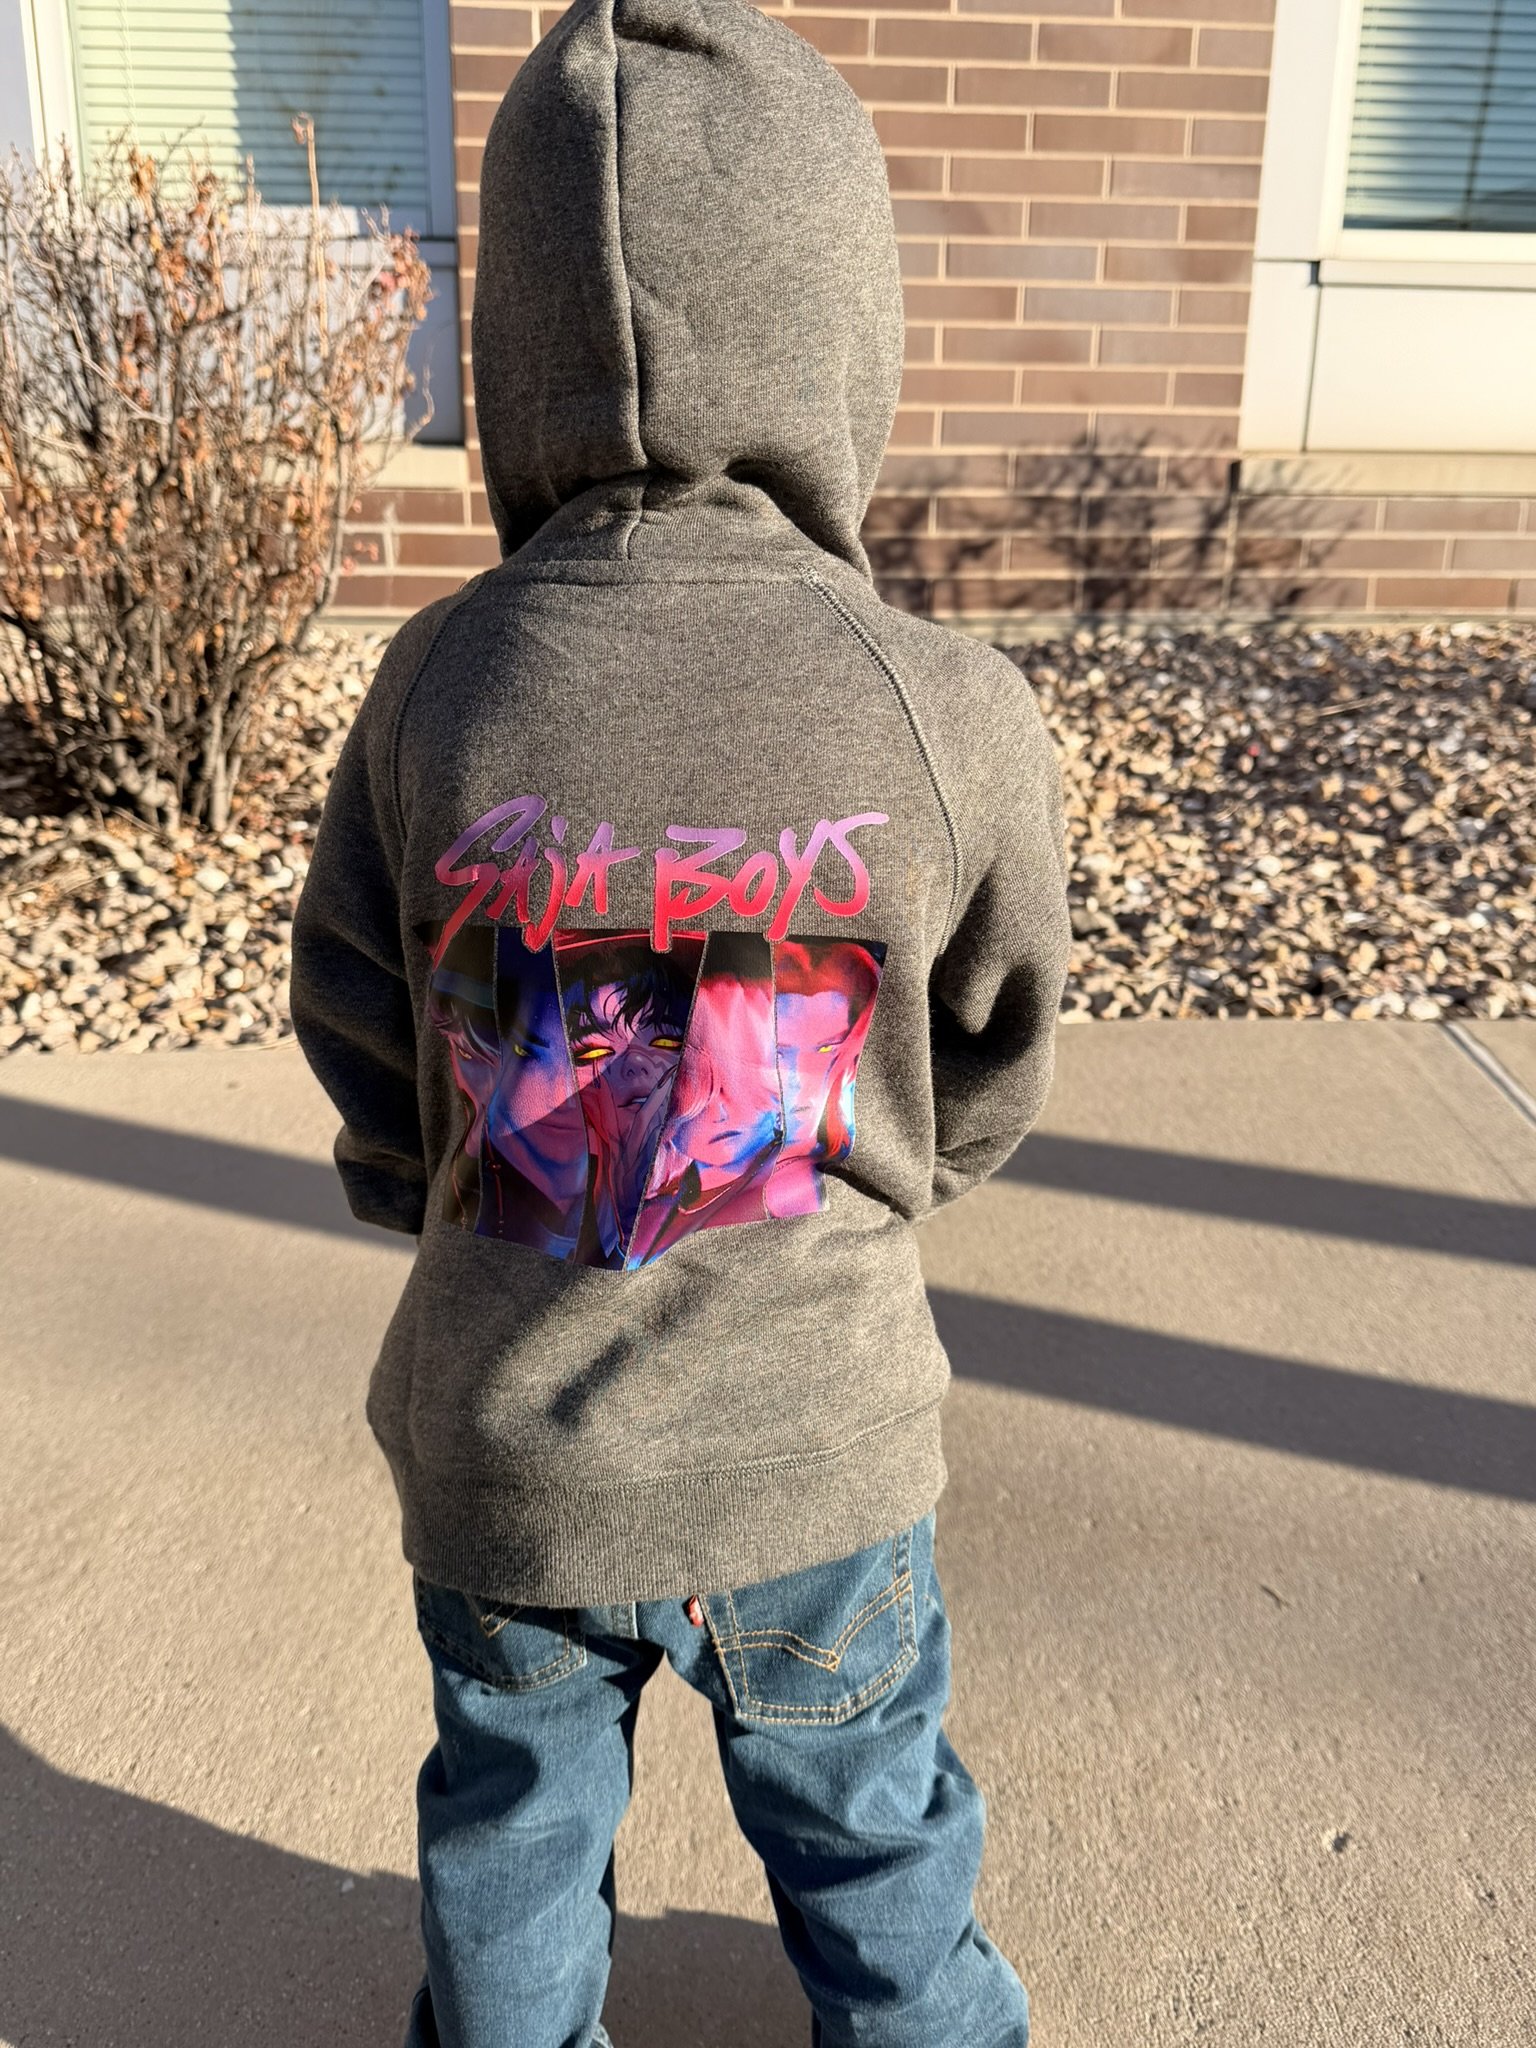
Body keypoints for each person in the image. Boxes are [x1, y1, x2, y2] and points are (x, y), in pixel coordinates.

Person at [288, 0, 1071, 2040]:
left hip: (506, 1449)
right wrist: (902, 1166)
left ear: (515, 349)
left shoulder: (437, 680)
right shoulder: (947, 707)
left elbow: (359, 1009)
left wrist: (421, 1179)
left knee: (512, 1842)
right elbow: (994, 1043)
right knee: (877, 1852)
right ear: (845, 328)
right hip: (813, 1448)